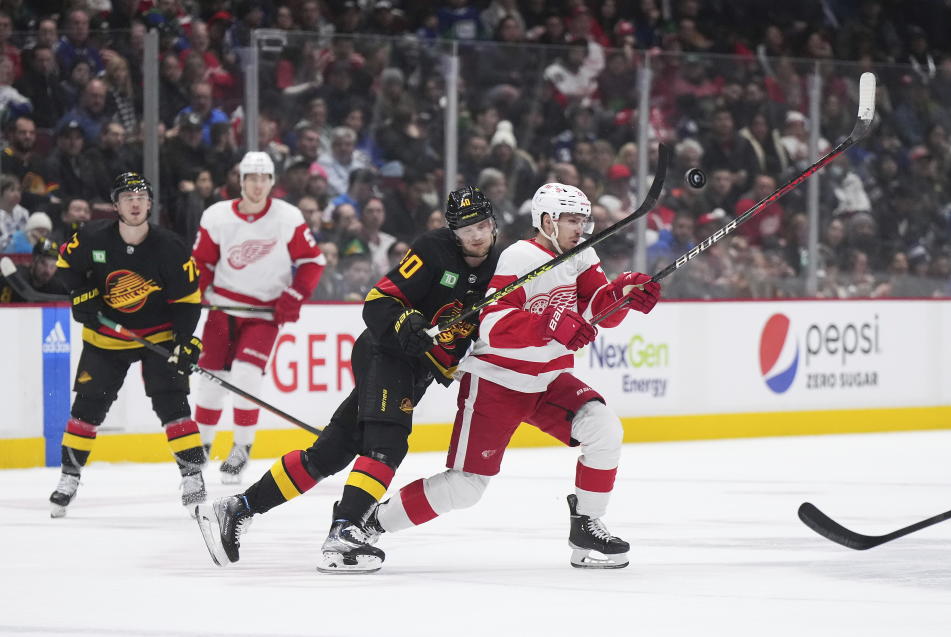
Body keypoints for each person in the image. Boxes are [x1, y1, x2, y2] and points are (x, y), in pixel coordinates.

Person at [194, 186, 500, 572]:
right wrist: (409, 321)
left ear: (494, 224)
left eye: (482, 225)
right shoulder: (432, 249)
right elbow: (378, 302)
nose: (476, 235)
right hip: (385, 353)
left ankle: (236, 508)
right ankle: (345, 532)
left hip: (417, 370)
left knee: (330, 453)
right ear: (453, 231)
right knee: (386, 443)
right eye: (466, 228)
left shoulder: (502, 267)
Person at [366, 183, 662, 571]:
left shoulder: (581, 254)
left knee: (604, 429)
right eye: (571, 219)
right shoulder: (520, 256)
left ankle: (586, 524)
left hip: (548, 379)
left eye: (582, 220)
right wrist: (551, 322)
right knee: (466, 487)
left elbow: (594, 308)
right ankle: (373, 522)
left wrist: (625, 293)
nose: (580, 227)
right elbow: (493, 323)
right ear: (546, 221)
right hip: (497, 382)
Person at [47, 173, 206, 517]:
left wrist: (185, 341)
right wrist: (82, 294)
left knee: (173, 404)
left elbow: (188, 301)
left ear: (150, 204)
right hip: (106, 338)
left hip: (158, 336)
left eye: (141, 196)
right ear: (115, 204)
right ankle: (69, 477)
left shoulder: (171, 246)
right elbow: (65, 267)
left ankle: (193, 476)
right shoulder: (91, 237)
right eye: (127, 196)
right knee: (87, 408)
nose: (135, 202)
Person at [190, 151, 326, 483]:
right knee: (209, 383)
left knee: (246, 378)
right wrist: (199, 294)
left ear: (272, 182)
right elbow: (201, 263)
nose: (257, 185)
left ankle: (241, 448)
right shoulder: (216, 216)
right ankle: (201, 449)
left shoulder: (288, 217)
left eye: (263, 178)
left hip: (263, 316)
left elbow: (312, 262)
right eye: (251, 178)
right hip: (223, 310)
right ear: (241, 181)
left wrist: (293, 296)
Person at [0, 238, 68, 303]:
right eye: (43, 263)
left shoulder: (57, 285)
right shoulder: (15, 278)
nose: (47, 271)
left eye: (53, 266)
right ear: (33, 261)